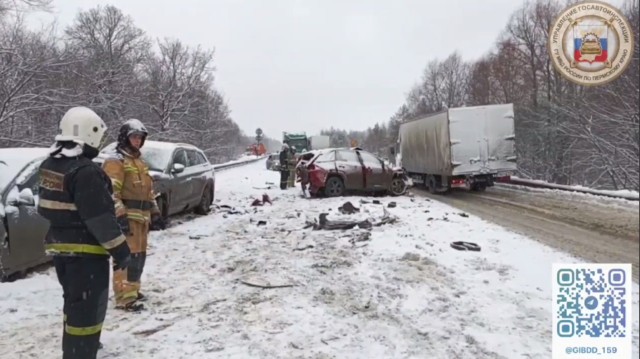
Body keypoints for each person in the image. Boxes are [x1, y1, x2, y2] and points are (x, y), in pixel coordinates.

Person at [37, 107, 131, 359]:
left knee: (74, 306)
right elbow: (100, 220)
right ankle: (80, 353)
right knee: (88, 313)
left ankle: (75, 348)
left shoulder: (50, 165)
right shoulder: (86, 171)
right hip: (86, 255)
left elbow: (44, 207)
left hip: (61, 252)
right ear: (87, 133)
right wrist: (121, 250)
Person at [101, 119, 165, 312]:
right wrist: (120, 217)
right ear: (125, 138)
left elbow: (148, 191)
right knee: (125, 258)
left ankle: (133, 290)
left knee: (139, 257)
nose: (137, 141)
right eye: (134, 137)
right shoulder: (116, 161)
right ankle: (124, 297)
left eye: (140, 138)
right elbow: (110, 193)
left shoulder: (139, 161)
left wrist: (155, 212)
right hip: (127, 219)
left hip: (141, 219)